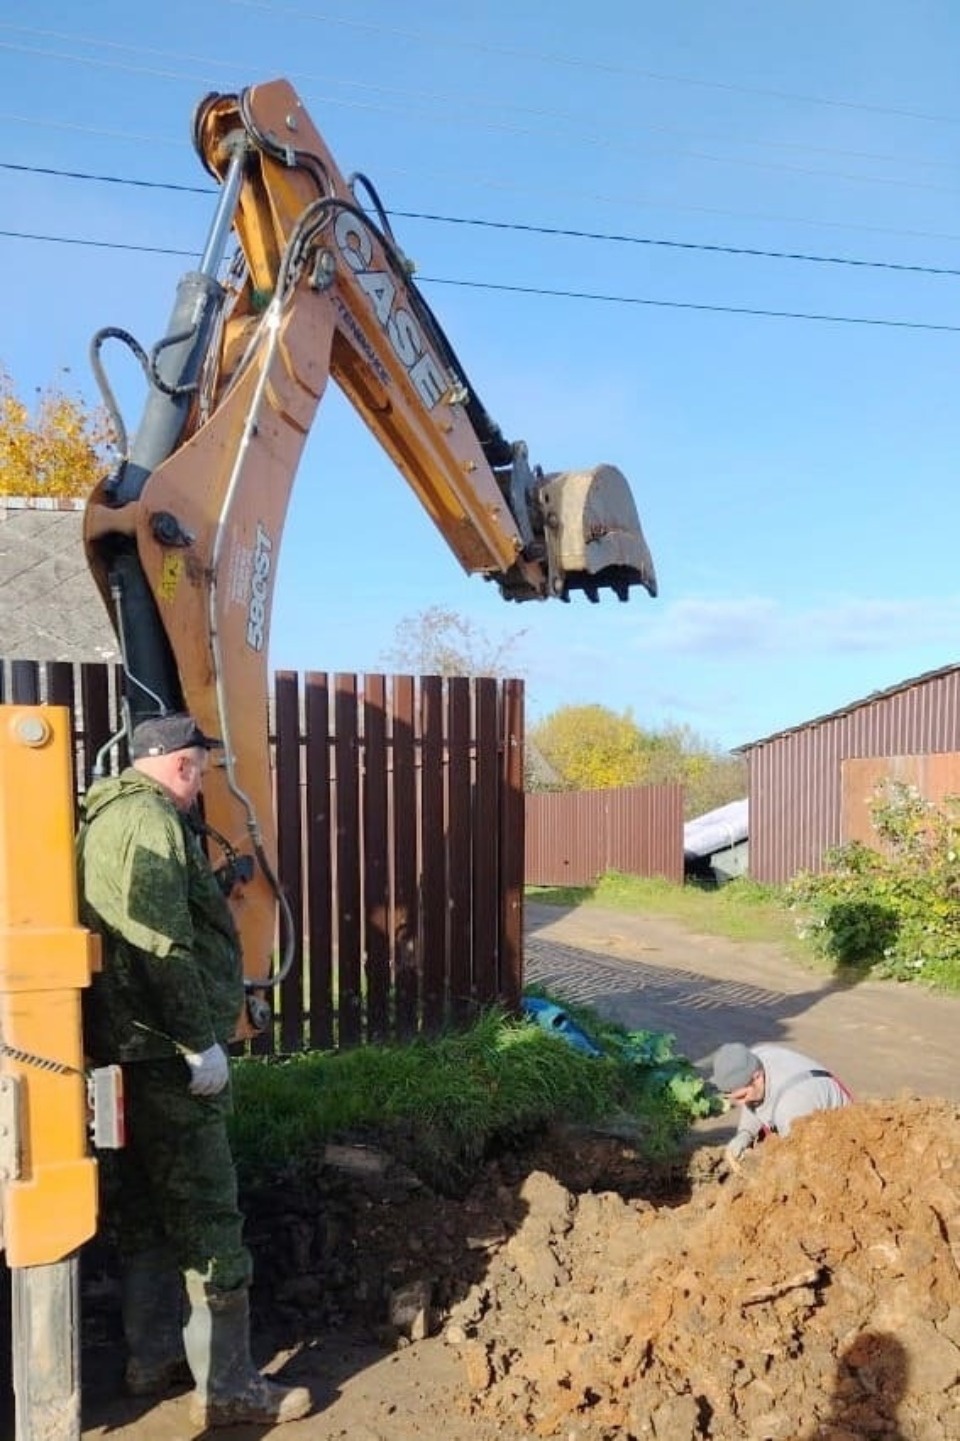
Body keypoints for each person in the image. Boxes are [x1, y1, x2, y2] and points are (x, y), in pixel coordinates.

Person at [77, 711, 312, 1429]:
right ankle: (232, 1388)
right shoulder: (147, 824)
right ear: (182, 763)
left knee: (149, 1211)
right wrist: (196, 1043)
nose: (203, 783)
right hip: (163, 1057)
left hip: (132, 1052)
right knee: (211, 1212)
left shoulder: (112, 816)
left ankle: (154, 1357)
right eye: (202, 770)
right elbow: (161, 948)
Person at [711, 1041, 852, 1163]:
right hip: (797, 1098)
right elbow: (755, 1103)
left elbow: (795, 1160)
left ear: (757, 1076)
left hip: (839, 1132)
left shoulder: (793, 1106)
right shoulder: (752, 1059)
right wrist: (745, 1134)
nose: (741, 1104)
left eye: (742, 1096)